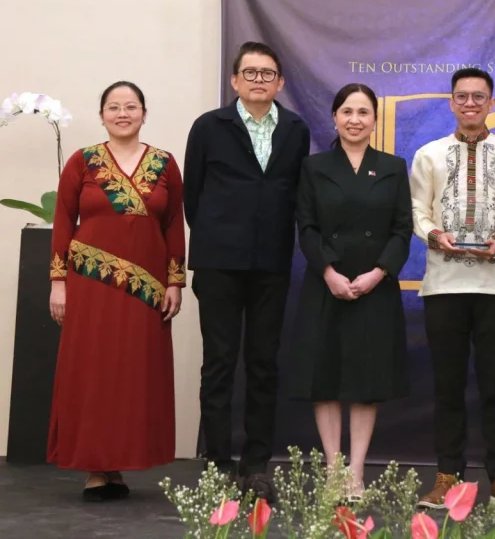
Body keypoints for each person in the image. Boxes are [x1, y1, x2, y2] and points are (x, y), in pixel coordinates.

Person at [183, 41, 311, 502]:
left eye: (267, 74)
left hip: (272, 263)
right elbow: (192, 196)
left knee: (263, 363)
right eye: (250, 73)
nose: (259, 80)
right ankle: (217, 464)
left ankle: (256, 464)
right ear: (234, 80)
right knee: (218, 363)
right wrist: (223, 237)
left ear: (279, 83)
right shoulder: (208, 127)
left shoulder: (295, 129)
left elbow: (297, 192)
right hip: (219, 262)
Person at [47, 81, 184, 500]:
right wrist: (58, 282)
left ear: (144, 113)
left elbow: (174, 224)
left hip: (146, 290)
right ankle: (96, 466)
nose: (122, 113)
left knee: (134, 375)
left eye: (131, 106)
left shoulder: (164, 163)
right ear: (102, 114)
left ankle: (121, 463)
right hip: (89, 286)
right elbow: (62, 221)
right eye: (113, 107)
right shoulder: (83, 162)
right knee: (93, 371)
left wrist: (176, 281)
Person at [410, 67, 495, 511]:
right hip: (443, 284)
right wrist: (434, 235)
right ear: (451, 102)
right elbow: (417, 210)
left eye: (479, 97)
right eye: (462, 97)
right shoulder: (429, 155)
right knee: (448, 385)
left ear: (493, 102)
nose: (470, 104)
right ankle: (448, 477)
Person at [289, 83, 412, 500]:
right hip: (327, 284)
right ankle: (332, 470)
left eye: (363, 112)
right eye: (347, 112)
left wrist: (379, 273)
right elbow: (305, 225)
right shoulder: (314, 166)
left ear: (375, 120)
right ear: (335, 117)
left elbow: (401, 229)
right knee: (324, 378)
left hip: (374, 287)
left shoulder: (393, 166)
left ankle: (356, 473)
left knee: (365, 380)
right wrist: (328, 271)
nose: (355, 120)